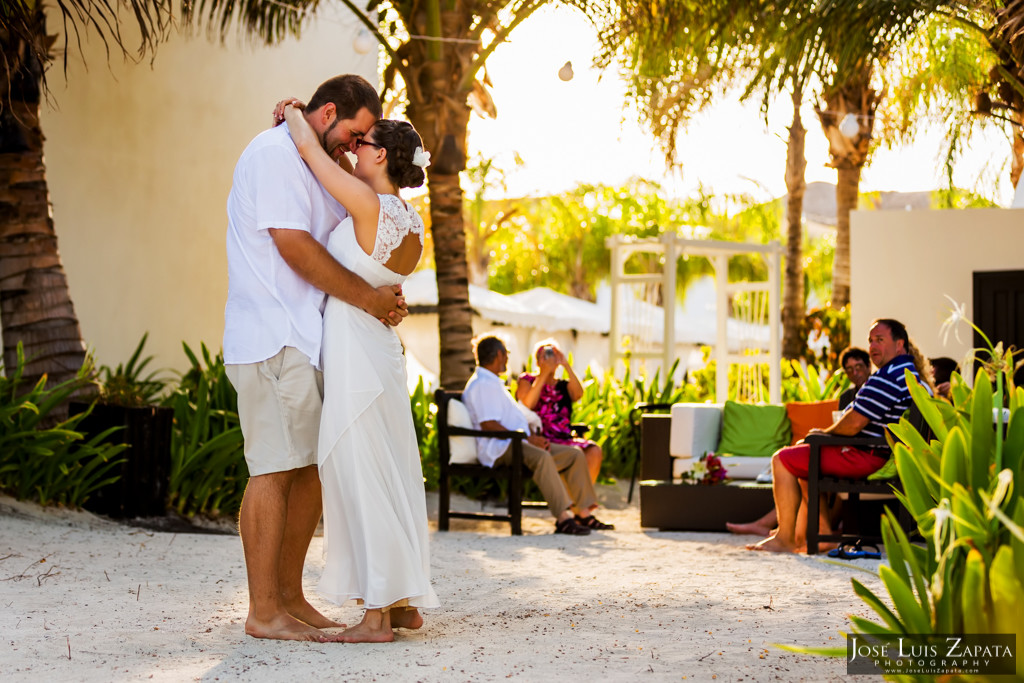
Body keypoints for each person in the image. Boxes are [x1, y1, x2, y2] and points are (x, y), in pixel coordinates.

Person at [223, 75, 408, 642]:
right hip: (273, 337)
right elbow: (295, 247)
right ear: (327, 112)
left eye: (362, 143)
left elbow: (351, 237)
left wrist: (381, 284)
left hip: (309, 342)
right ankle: (262, 610)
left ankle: (289, 596)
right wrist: (369, 298)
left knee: (309, 472)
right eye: (353, 135)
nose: (355, 148)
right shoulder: (274, 154)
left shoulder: (317, 161)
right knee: (275, 469)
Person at [276, 99, 440, 643]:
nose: (354, 147)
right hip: (375, 349)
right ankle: (398, 603)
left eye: (364, 143)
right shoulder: (408, 220)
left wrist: (295, 113)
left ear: (383, 156)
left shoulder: (370, 207)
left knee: (363, 474)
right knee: (384, 470)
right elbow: (343, 176)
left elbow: (312, 155)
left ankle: (376, 616)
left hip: (356, 349)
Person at [749, 318, 932, 553]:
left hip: (869, 455)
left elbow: (854, 424)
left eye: (880, 340)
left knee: (781, 459)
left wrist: (822, 435)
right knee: (803, 460)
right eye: (870, 341)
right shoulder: (904, 373)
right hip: (881, 452)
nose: (873, 346)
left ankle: (784, 538)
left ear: (899, 345)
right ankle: (818, 533)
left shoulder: (891, 376)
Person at [462, 335, 614, 535]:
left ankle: (582, 513)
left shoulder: (491, 381)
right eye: (506, 354)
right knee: (542, 457)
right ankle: (563, 518)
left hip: (515, 441)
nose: (507, 358)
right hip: (501, 447)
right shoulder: (483, 384)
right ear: (499, 354)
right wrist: (526, 438)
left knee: (575, 454)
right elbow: (488, 424)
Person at [726, 345, 874, 537]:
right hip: (847, 448)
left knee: (800, 464)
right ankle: (802, 531)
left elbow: (854, 426)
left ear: (869, 366)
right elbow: (843, 425)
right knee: (803, 465)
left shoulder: (876, 390)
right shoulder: (847, 396)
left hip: (861, 453)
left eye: (859, 367)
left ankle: (809, 531)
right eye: (849, 369)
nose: (855, 373)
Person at [515, 341, 603, 483]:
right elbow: (527, 404)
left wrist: (566, 365)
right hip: (539, 439)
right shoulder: (527, 380)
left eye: (553, 355)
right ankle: (578, 501)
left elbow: (579, 394)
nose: (550, 358)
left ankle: (579, 500)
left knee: (594, 451)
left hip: (564, 438)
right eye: (546, 355)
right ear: (538, 360)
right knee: (576, 454)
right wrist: (543, 374)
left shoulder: (563, 385)